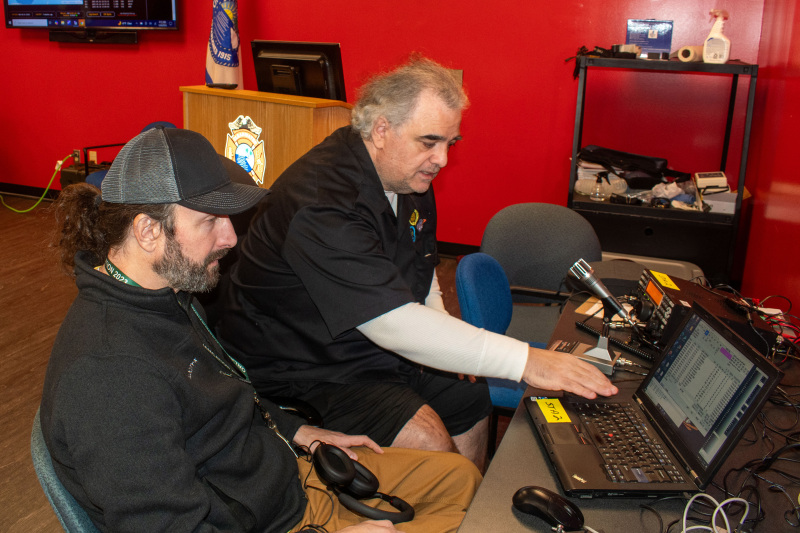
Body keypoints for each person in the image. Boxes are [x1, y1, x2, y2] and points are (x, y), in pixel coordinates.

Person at [40, 126, 481, 533]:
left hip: (286, 478)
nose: (231, 238)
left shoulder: (167, 294)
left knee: (461, 480)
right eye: (210, 221)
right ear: (148, 231)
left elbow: (221, 395)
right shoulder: (108, 375)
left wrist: (295, 430)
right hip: (272, 523)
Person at [213, 56, 618, 472]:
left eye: (449, 144)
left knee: (470, 395)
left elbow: (422, 274)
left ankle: (469, 501)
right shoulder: (322, 202)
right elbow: (390, 323)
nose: (441, 159)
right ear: (381, 130)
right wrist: (527, 361)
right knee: (429, 442)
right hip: (301, 370)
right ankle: (445, 496)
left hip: (365, 346)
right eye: (429, 142)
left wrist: (449, 347)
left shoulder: (406, 177)